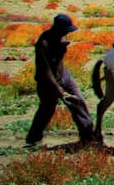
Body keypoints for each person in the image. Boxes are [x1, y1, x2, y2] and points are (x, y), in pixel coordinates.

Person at [27, 13, 96, 146]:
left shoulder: (61, 36)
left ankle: (87, 137)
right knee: (47, 109)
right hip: (47, 82)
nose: (67, 34)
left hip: (64, 76)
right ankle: (33, 138)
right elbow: (45, 71)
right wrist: (59, 91)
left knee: (78, 102)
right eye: (65, 30)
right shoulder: (43, 43)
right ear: (57, 28)